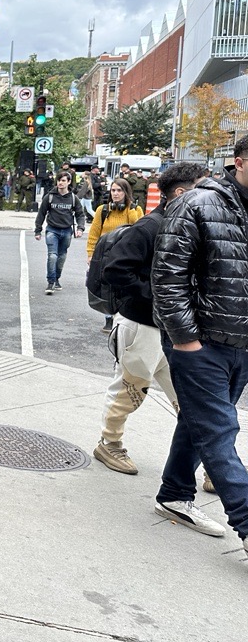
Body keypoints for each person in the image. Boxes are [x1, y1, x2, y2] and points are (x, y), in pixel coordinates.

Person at [152, 137, 248, 554]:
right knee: (220, 432)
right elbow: (167, 277)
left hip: (241, 344)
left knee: (200, 424)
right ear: (239, 162)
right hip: (201, 344)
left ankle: (174, 493)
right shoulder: (196, 203)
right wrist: (186, 340)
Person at [93, 163, 208, 476]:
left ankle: (213, 462)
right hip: (142, 327)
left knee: (193, 400)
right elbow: (115, 270)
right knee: (128, 393)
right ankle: (109, 444)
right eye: (204, 187)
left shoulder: (189, 225)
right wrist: (160, 295)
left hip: (177, 331)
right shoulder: (150, 227)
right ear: (182, 192)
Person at [85, 178, 143, 333]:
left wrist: (131, 209)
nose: (116, 194)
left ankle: (121, 318)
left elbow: (138, 231)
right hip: (105, 254)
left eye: (120, 190)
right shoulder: (102, 210)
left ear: (126, 192)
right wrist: (90, 253)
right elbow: (94, 233)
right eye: (113, 190)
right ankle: (109, 319)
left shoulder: (135, 210)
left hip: (125, 255)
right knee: (106, 287)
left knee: (123, 287)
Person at [34, 171, 85, 295]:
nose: (60, 183)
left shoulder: (73, 198)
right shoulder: (50, 196)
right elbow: (41, 213)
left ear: (68, 182)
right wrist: (38, 230)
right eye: (59, 180)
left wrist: (80, 228)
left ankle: (57, 278)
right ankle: (50, 282)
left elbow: (80, 214)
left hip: (67, 231)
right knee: (52, 255)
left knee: (61, 256)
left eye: (63, 181)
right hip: (52, 229)